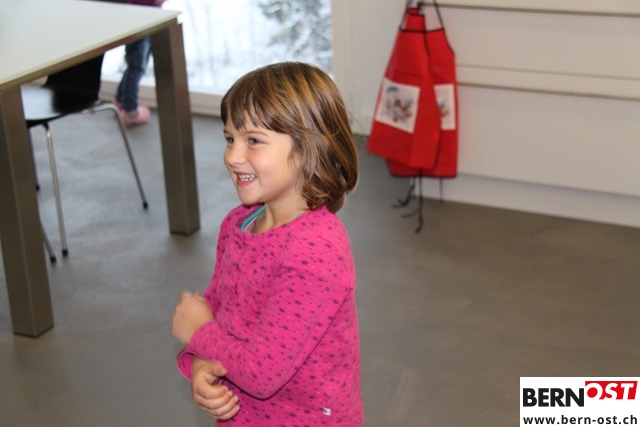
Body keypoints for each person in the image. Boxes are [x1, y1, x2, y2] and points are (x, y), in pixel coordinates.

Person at [171, 62, 363, 425]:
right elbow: (214, 313)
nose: (232, 156)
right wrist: (199, 366)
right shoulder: (239, 223)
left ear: (309, 148)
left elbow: (260, 373)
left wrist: (198, 333)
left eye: (253, 141)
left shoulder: (315, 251)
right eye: (230, 139)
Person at [114, 0, 165, 126]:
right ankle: (130, 111)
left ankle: (121, 100)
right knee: (136, 68)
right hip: (138, 21)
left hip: (146, 20)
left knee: (136, 66)